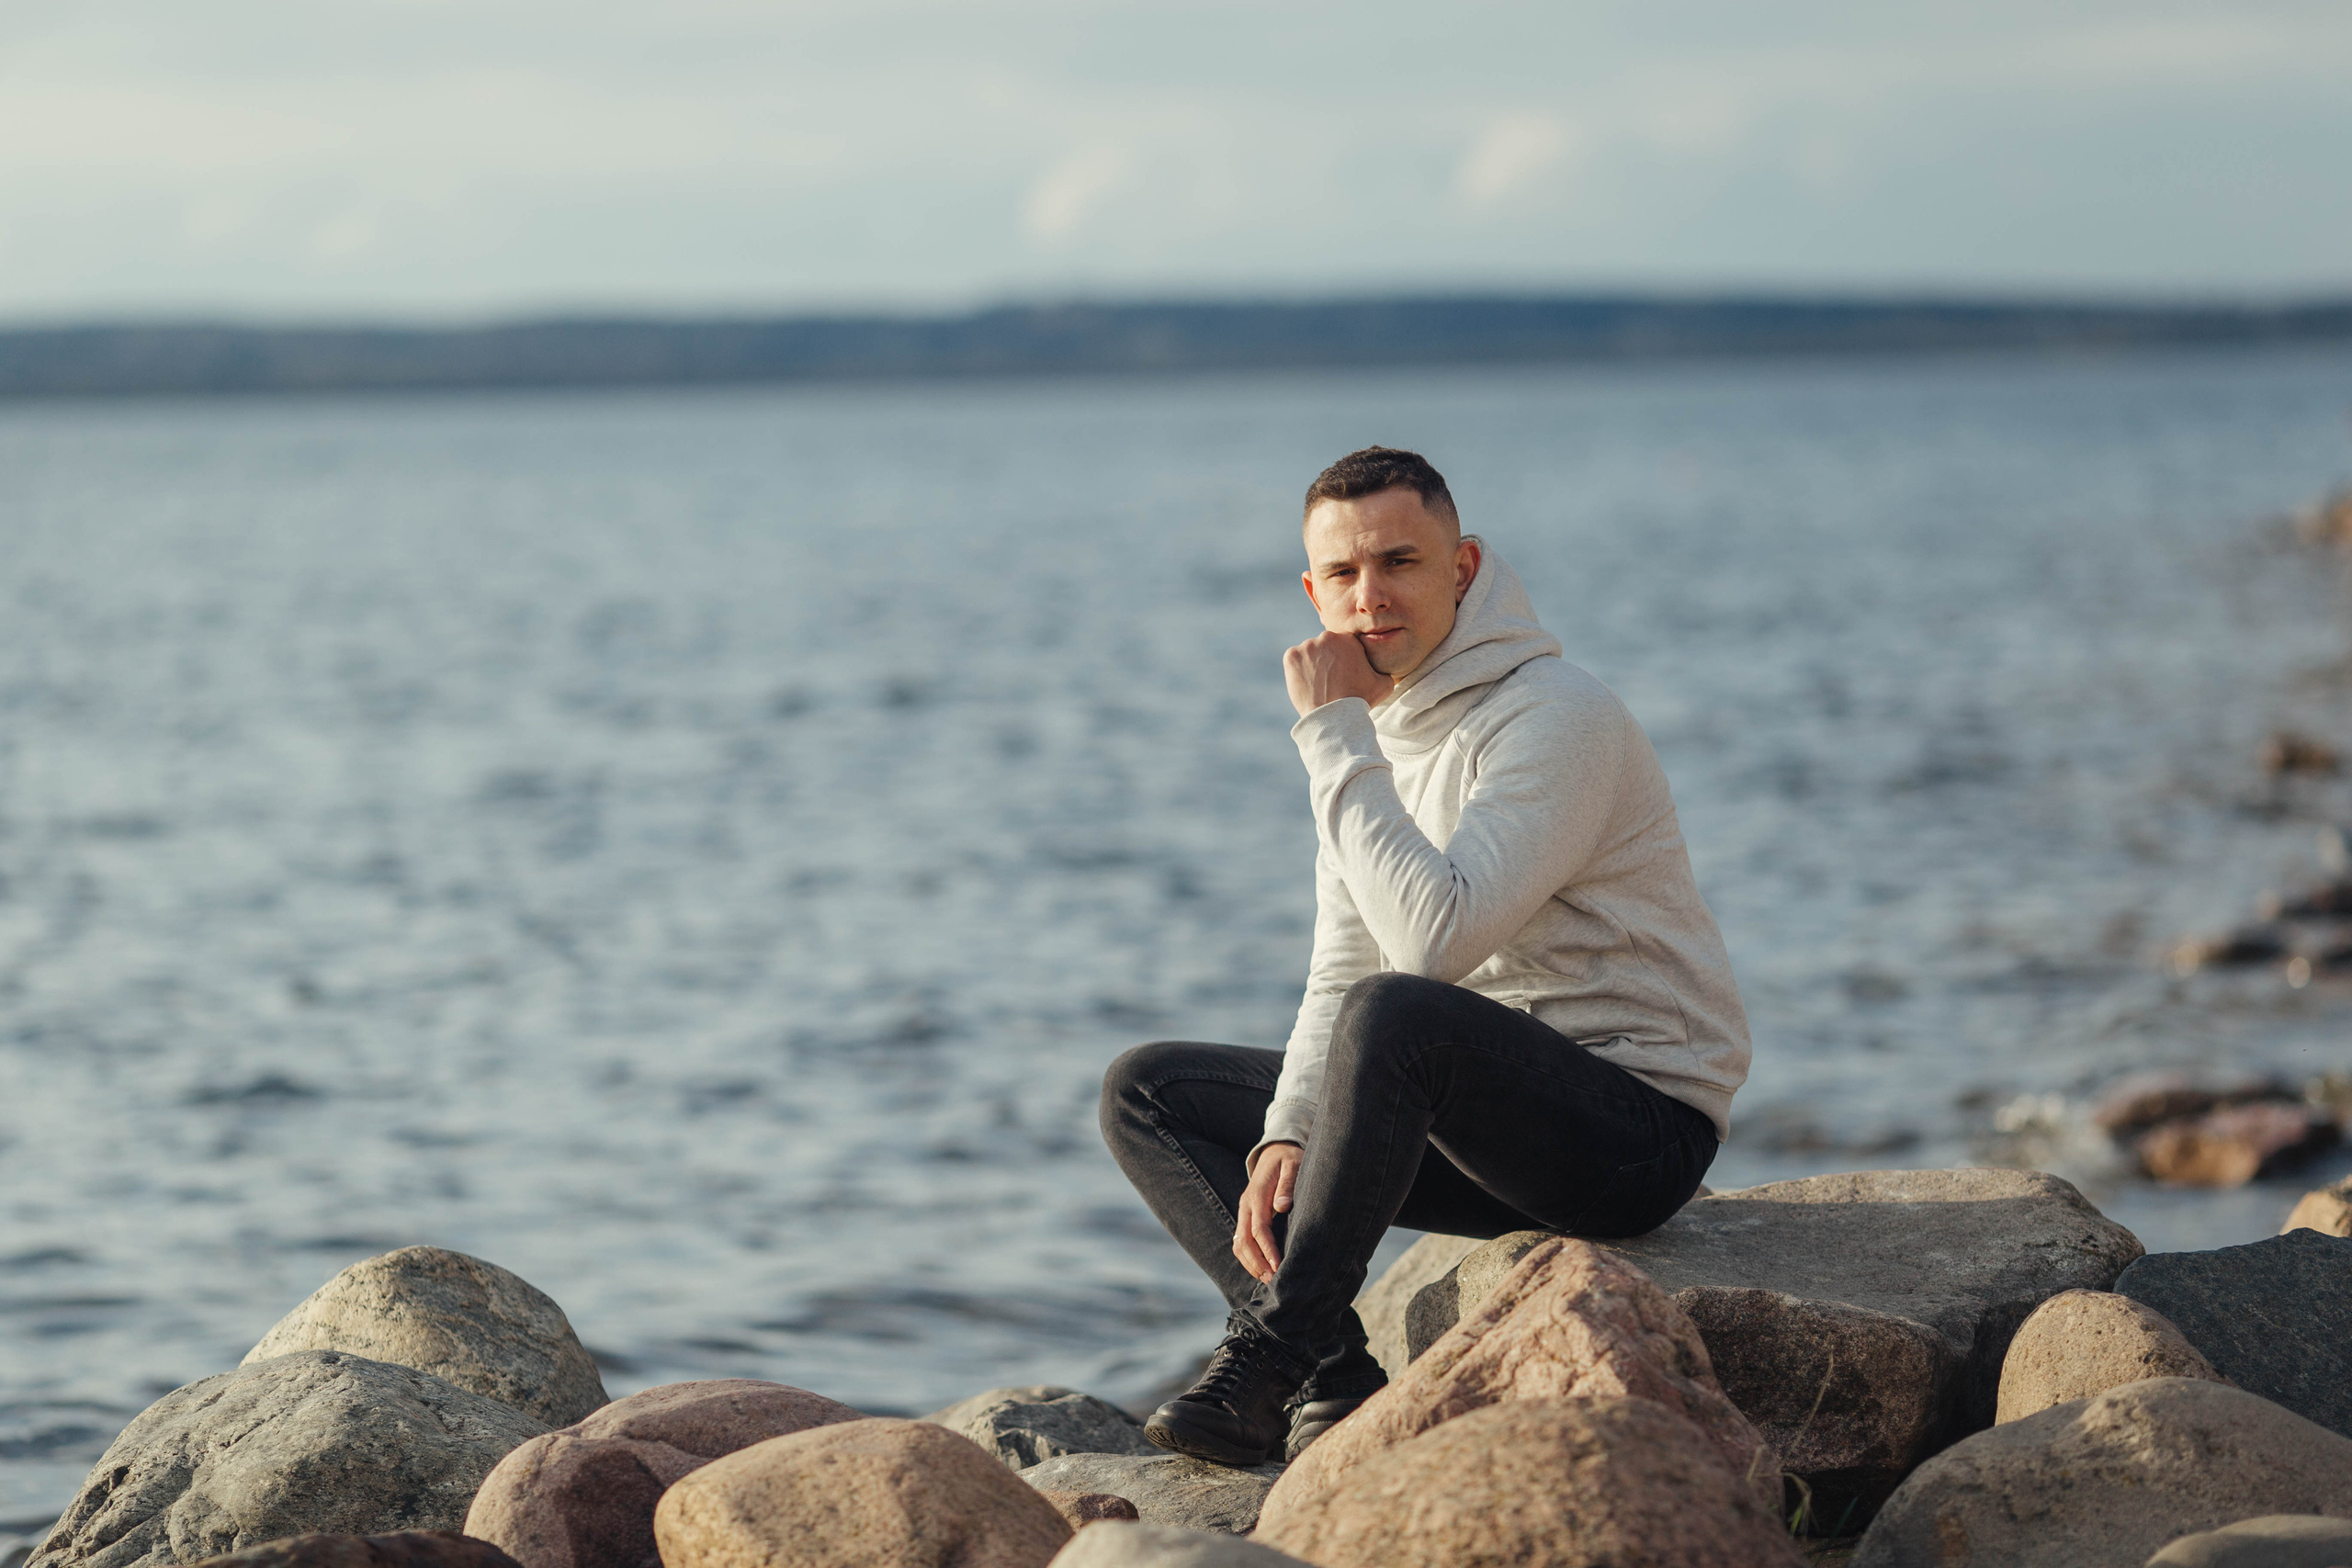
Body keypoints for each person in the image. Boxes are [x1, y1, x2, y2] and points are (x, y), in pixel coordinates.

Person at [1099, 446, 1751, 1467]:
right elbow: (1341, 968)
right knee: (1151, 1091)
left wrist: (1330, 736)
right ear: (1312, 592)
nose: (1370, 598)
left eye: (1399, 562)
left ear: (1463, 565)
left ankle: (1269, 1356)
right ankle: (1336, 1379)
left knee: (1397, 1011)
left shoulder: (1555, 715)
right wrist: (1286, 1129)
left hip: (1633, 1135)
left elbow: (1431, 945)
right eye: (1344, 576)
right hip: (1471, 1126)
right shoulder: (1369, 739)